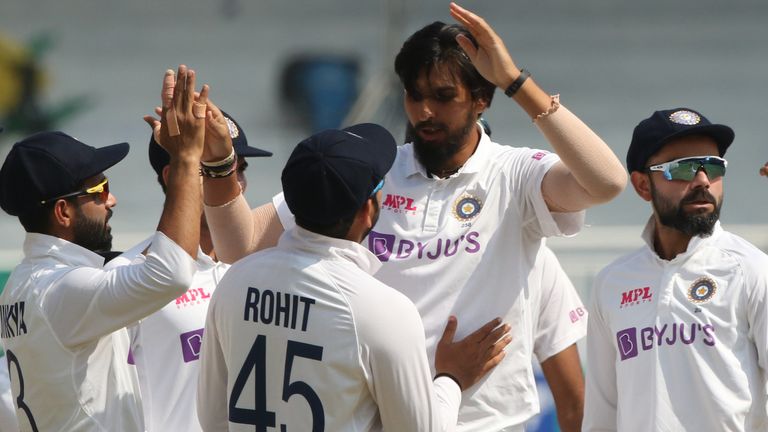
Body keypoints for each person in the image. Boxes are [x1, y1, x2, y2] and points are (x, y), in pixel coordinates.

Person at [200, 4, 626, 431]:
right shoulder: (373, 168)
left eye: (443, 97)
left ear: (481, 99)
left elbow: (606, 182)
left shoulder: (514, 174)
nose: (423, 112)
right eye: (413, 95)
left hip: (490, 423)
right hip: (382, 420)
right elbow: (239, 247)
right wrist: (219, 164)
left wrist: (516, 82)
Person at [197, 123, 511, 431]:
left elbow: (212, 420)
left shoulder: (234, 283)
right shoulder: (383, 310)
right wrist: (451, 378)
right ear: (367, 210)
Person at [0, 65, 206, 431]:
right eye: (99, 190)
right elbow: (171, 273)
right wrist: (187, 159)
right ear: (63, 211)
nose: (112, 200)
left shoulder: (24, 281)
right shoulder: (60, 288)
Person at [583, 107, 768, 431]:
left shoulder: (751, 270)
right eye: (682, 169)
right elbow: (602, 411)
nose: (702, 181)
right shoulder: (612, 282)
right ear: (642, 185)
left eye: (712, 166)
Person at [103, 108, 272, 432]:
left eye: (240, 170)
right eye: (217, 169)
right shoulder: (131, 274)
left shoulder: (267, 259)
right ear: (175, 176)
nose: (235, 184)